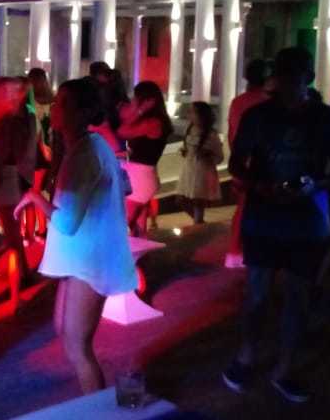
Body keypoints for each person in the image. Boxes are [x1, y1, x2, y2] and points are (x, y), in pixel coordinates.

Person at [222, 47, 330, 403]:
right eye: (283, 76)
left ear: (307, 78)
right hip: (263, 217)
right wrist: (257, 184)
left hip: (308, 221)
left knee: (299, 297)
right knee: (257, 293)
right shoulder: (258, 116)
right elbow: (235, 164)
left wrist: (315, 185)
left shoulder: (327, 119)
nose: (288, 84)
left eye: (295, 77)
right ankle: (247, 355)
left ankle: (284, 368)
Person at [14, 78, 137, 394]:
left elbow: (67, 222)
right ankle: (91, 403)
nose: (55, 107)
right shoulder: (89, 146)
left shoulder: (85, 153)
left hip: (89, 262)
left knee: (78, 347)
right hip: (81, 257)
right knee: (67, 335)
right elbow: (122, 186)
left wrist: (34, 197)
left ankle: (96, 408)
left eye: (63, 103)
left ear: (81, 112)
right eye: (57, 101)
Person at [0, 77, 37, 313]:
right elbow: (19, 153)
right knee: (11, 234)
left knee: (1, 234)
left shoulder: (0, 119)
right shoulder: (17, 118)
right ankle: (20, 280)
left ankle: (15, 283)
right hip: (7, 175)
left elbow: (0, 152)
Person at [224, 60, 272, 268]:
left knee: (243, 208)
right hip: (261, 164)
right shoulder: (267, 103)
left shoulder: (238, 101)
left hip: (241, 161)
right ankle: (240, 252)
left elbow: (231, 133)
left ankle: (236, 250)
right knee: (254, 209)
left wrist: (236, 159)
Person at [116, 81, 173, 238]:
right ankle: (141, 254)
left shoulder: (152, 122)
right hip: (144, 176)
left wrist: (139, 111)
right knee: (139, 230)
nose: (133, 101)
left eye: (136, 98)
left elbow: (122, 131)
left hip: (139, 179)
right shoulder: (157, 121)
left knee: (122, 226)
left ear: (146, 100)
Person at [176, 102, 223, 225]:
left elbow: (219, 157)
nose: (189, 114)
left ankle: (198, 223)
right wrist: (185, 151)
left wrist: (208, 155)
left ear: (202, 115)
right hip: (189, 169)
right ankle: (200, 223)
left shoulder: (211, 134)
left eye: (192, 112)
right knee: (181, 200)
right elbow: (188, 148)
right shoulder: (189, 129)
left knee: (198, 202)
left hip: (202, 172)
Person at [25, 68, 55, 241]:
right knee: (36, 191)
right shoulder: (53, 102)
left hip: (35, 150)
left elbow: (35, 131)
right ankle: (39, 229)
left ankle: (35, 230)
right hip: (49, 150)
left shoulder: (30, 105)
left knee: (32, 192)